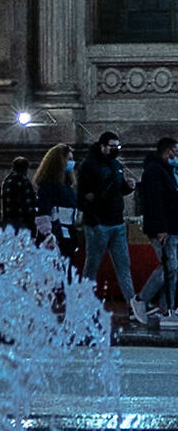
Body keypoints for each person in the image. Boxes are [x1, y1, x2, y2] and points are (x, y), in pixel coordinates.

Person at [77, 131, 140, 319]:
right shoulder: (89, 166)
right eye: (112, 146)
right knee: (92, 265)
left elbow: (116, 190)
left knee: (123, 265)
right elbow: (82, 197)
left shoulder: (116, 164)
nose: (116, 150)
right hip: (99, 224)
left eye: (118, 147)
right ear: (103, 146)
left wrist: (128, 187)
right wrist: (94, 222)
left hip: (117, 223)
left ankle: (131, 304)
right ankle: (84, 303)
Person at [140, 139, 178, 318]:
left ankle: (167, 307)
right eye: (176, 151)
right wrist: (161, 228)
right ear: (168, 151)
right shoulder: (154, 171)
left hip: (173, 226)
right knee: (169, 266)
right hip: (163, 228)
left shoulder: (167, 170)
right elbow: (155, 202)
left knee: (173, 268)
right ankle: (142, 299)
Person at [37, 143, 81, 268]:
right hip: (57, 233)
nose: (72, 163)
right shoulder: (49, 185)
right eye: (69, 159)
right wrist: (47, 232)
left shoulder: (66, 186)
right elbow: (43, 210)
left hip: (67, 234)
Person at [0, 156, 42, 241]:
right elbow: (29, 204)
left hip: (7, 221)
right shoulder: (23, 181)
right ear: (25, 168)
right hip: (22, 222)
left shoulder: (6, 180)